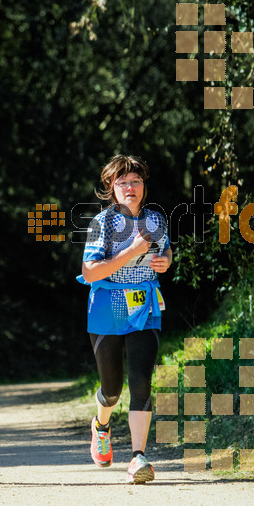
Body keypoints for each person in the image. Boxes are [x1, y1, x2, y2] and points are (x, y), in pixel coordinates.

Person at [79, 154, 172, 484]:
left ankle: (138, 457)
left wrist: (163, 261)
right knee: (112, 389)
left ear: (144, 186)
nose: (130, 187)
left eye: (136, 181)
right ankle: (101, 426)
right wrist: (131, 252)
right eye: (123, 183)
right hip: (106, 310)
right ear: (111, 188)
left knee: (142, 381)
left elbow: (165, 250)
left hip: (145, 308)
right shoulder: (102, 224)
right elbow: (89, 272)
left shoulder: (155, 220)